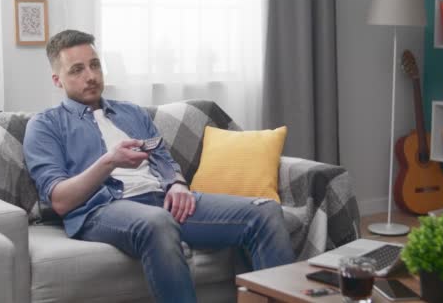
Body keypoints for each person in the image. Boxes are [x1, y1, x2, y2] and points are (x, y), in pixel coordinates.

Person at [23, 29, 295, 303]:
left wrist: (176, 183)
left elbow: (162, 157)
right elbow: (59, 200)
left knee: (265, 212)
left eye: (94, 65)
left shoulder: (132, 113)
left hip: (162, 200)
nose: (90, 76)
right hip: (102, 208)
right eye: (77, 70)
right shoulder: (45, 125)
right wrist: (109, 162)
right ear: (58, 80)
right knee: (158, 222)